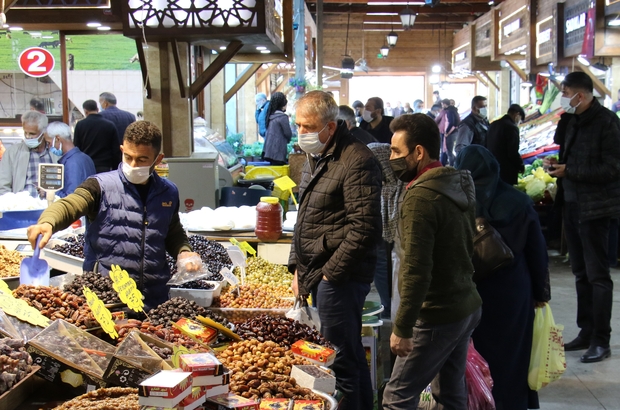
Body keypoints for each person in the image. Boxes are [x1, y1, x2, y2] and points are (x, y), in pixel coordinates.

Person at [26, 121, 199, 311]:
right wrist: (48, 222)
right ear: (121, 150)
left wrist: (183, 251)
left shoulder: (168, 192)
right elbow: (71, 204)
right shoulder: (99, 186)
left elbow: (172, 230)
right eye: (128, 156)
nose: (133, 165)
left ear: (158, 159)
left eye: (142, 159)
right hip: (108, 301)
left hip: (154, 300)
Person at [290, 91, 382, 410]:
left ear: (331, 126)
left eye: (309, 126)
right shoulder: (316, 156)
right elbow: (304, 216)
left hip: (340, 278)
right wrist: (297, 268)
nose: (302, 132)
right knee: (341, 353)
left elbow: (365, 227)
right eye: (298, 125)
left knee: (342, 357)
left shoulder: (357, 159)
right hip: (317, 271)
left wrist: (330, 276)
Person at [382, 114, 482, 409]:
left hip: (437, 313)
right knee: (450, 394)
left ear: (419, 152)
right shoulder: (456, 181)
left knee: (396, 396)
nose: (391, 158)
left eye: (396, 152)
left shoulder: (422, 196)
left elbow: (416, 270)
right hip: (464, 305)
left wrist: (402, 327)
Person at [455, 145, 550, 410]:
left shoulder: (455, 202)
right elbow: (537, 252)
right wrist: (541, 295)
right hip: (513, 293)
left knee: (475, 355)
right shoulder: (518, 202)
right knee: (514, 356)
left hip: (471, 292)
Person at [547, 72, 620, 363]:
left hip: (597, 209)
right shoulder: (575, 120)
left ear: (581, 94)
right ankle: (586, 331)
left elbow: (612, 168)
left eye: (566, 93)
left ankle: (602, 340)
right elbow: (572, 157)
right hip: (573, 204)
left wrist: (571, 172)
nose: (564, 98)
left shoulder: (607, 123)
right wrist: (559, 167)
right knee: (580, 273)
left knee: (598, 275)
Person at [367, 142, 403, 320]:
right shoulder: (394, 187)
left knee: (382, 262)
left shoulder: (392, 190)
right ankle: (387, 306)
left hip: (394, 246)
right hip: (384, 241)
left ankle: (387, 307)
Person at [0, 111, 59, 197]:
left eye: (32, 133)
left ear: (43, 133)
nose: (28, 137)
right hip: (22, 207)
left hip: (51, 206)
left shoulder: (55, 153)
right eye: (25, 133)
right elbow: (3, 186)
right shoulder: (12, 153)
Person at [45, 122, 96, 198]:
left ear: (57, 139)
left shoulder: (72, 163)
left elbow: (71, 198)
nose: (49, 147)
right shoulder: (85, 158)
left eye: (49, 143)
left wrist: (49, 192)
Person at [74, 99, 121, 173]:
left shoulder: (80, 125)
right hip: (104, 166)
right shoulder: (109, 125)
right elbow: (115, 150)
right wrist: (115, 168)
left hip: (86, 165)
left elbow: (77, 147)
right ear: (98, 109)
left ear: (85, 111)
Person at [486, 104, 525, 185]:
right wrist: (520, 165)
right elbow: (512, 152)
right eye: (520, 119)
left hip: (492, 167)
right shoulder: (512, 127)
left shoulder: (493, 124)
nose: (519, 122)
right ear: (517, 115)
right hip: (506, 171)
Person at [263, 92, 292, 165]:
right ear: (283, 105)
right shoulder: (282, 117)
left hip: (269, 153)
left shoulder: (271, 116)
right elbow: (288, 133)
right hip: (278, 153)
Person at [442, 99, 460, 166]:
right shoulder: (455, 110)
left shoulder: (449, 111)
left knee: (449, 151)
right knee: (450, 150)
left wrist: (447, 132)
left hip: (451, 132)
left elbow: (451, 123)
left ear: (444, 104)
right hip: (455, 131)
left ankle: (451, 166)